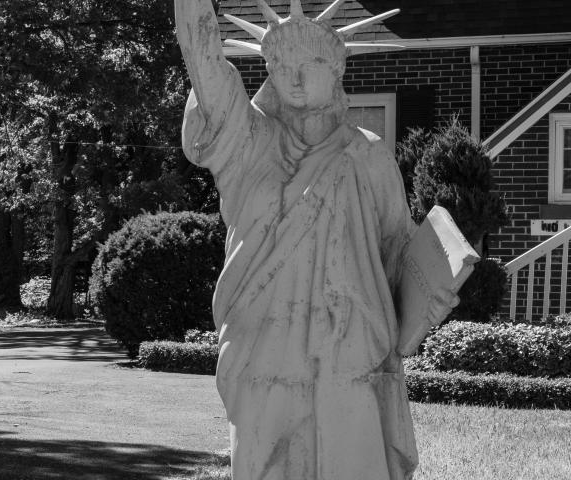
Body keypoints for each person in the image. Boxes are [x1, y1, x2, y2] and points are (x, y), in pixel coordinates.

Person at [173, 1, 417, 479]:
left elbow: (396, 249)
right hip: (261, 339)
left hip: (349, 340)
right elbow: (204, 60)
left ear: (337, 70)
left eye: (311, 65)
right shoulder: (249, 142)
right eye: (282, 67)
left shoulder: (369, 156)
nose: (296, 79)